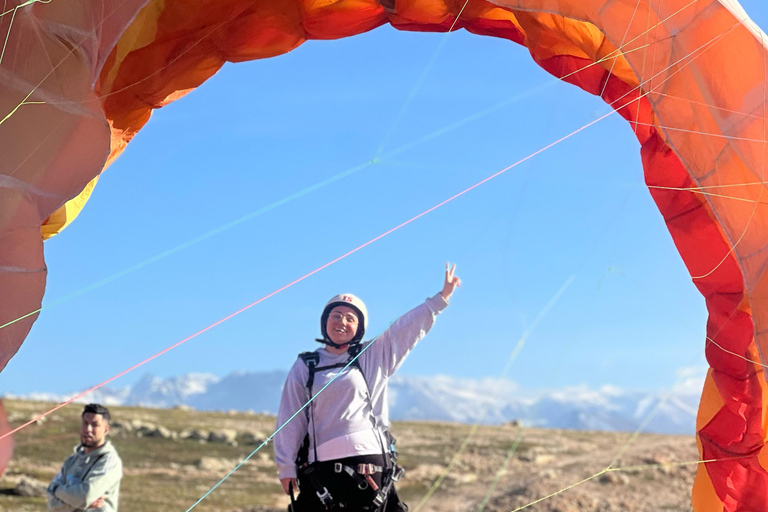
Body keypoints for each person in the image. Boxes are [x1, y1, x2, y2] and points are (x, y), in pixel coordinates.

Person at [274, 263, 461, 511]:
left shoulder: (373, 354)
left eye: (350, 318)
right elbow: (291, 416)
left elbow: (405, 328)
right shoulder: (306, 365)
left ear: (359, 328)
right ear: (325, 321)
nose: (342, 321)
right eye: (336, 315)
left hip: (369, 465)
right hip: (320, 470)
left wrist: (441, 298)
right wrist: (286, 466)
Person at [47, 404, 123, 512]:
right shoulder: (71, 461)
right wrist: (82, 503)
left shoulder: (109, 461)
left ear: (106, 430)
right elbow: (52, 504)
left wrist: (57, 491)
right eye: (85, 423)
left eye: (95, 425)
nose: (88, 429)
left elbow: (85, 496)